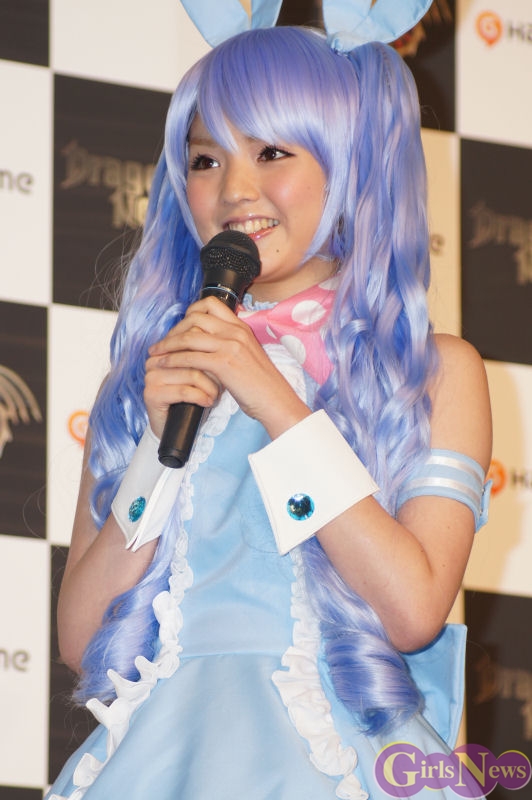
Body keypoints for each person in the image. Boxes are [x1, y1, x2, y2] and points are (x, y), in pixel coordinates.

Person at [47, 21, 492, 800]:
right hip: (163, 756)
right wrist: (156, 441)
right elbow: (82, 639)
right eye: (205, 159)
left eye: (272, 152)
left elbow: (414, 609)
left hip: (340, 756)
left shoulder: (431, 373)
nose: (233, 190)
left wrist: (274, 398)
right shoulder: (150, 377)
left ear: (349, 162)